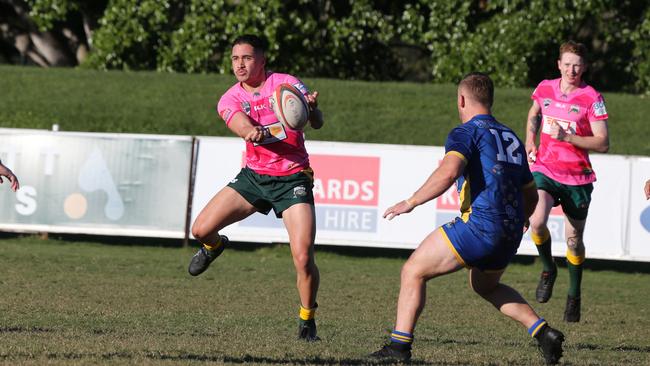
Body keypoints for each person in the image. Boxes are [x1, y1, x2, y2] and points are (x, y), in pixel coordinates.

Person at [369, 72, 564, 365]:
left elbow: (448, 173)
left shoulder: (466, 132)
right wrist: (520, 221)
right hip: (510, 232)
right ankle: (543, 333)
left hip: (480, 226)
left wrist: (410, 202)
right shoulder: (510, 136)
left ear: (461, 99)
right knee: (485, 286)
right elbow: (531, 195)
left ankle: (399, 347)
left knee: (413, 271)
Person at [187, 34, 324, 341]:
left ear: (262, 60)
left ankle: (307, 320)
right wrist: (250, 131)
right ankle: (214, 246)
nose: (240, 64)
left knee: (302, 257)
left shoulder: (285, 84)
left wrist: (311, 108)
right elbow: (238, 122)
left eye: (247, 58)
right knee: (199, 229)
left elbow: (315, 122)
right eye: (235, 59)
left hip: (293, 178)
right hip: (254, 177)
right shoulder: (230, 98)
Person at [525, 41, 609, 323]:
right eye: (567, 63)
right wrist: (530, 141)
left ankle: (574, 295)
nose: (572, 69)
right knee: (536, 221)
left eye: (578, 64)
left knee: (574, 241)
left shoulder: (591, 97)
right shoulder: (545, 88)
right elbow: (535, 113)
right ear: (558, 64)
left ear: (584, 67)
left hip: (577, 178)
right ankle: (548, 269)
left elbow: (603, 142)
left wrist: (569, 137)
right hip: (546, 168)